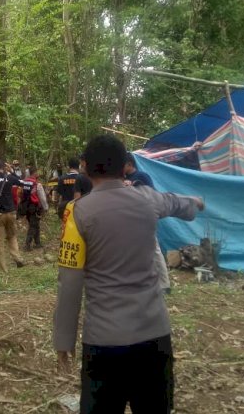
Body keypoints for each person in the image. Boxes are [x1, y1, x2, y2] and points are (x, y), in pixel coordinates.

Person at [53, 135, 204, 413]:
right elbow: (177, 203)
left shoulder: (78, 213)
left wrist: (64, 339)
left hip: (104, 341)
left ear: (84, 167)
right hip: (154, 335)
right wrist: (195, 203)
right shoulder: (146, 198)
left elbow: (70, 282)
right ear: (125, 166)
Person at [124, 152, 169, 293]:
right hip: (131, 220)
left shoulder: (142, 176)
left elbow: (152, 196)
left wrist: (132, 188)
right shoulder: (123, 179)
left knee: (154, 250)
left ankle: (164, 284)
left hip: (144, 218)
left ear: (130, 164)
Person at [20, 165, 48, 250]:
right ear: (35, 173)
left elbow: (20, 194)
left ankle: (37, 243)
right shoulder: (37, 184)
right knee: (33, 225)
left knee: (35, 224)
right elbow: (42, 197)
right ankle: (27, 245)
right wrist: (45, 207)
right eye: (37, 172)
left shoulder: (24, 182)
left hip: (25, 206)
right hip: (34, 207)